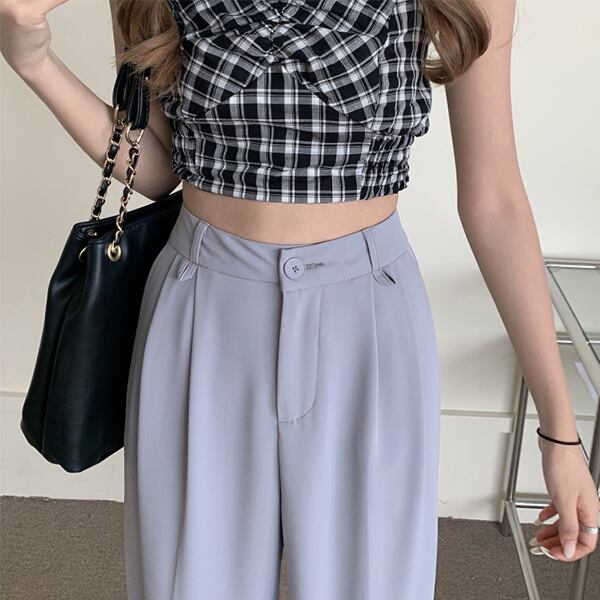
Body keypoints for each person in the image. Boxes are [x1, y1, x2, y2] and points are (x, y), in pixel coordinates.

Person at [2, 0, 598, 598]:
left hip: (367, 324)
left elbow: (495, 201)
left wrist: (559, 431)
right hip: (201, 309)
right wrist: (35, 62)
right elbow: (158, 168)